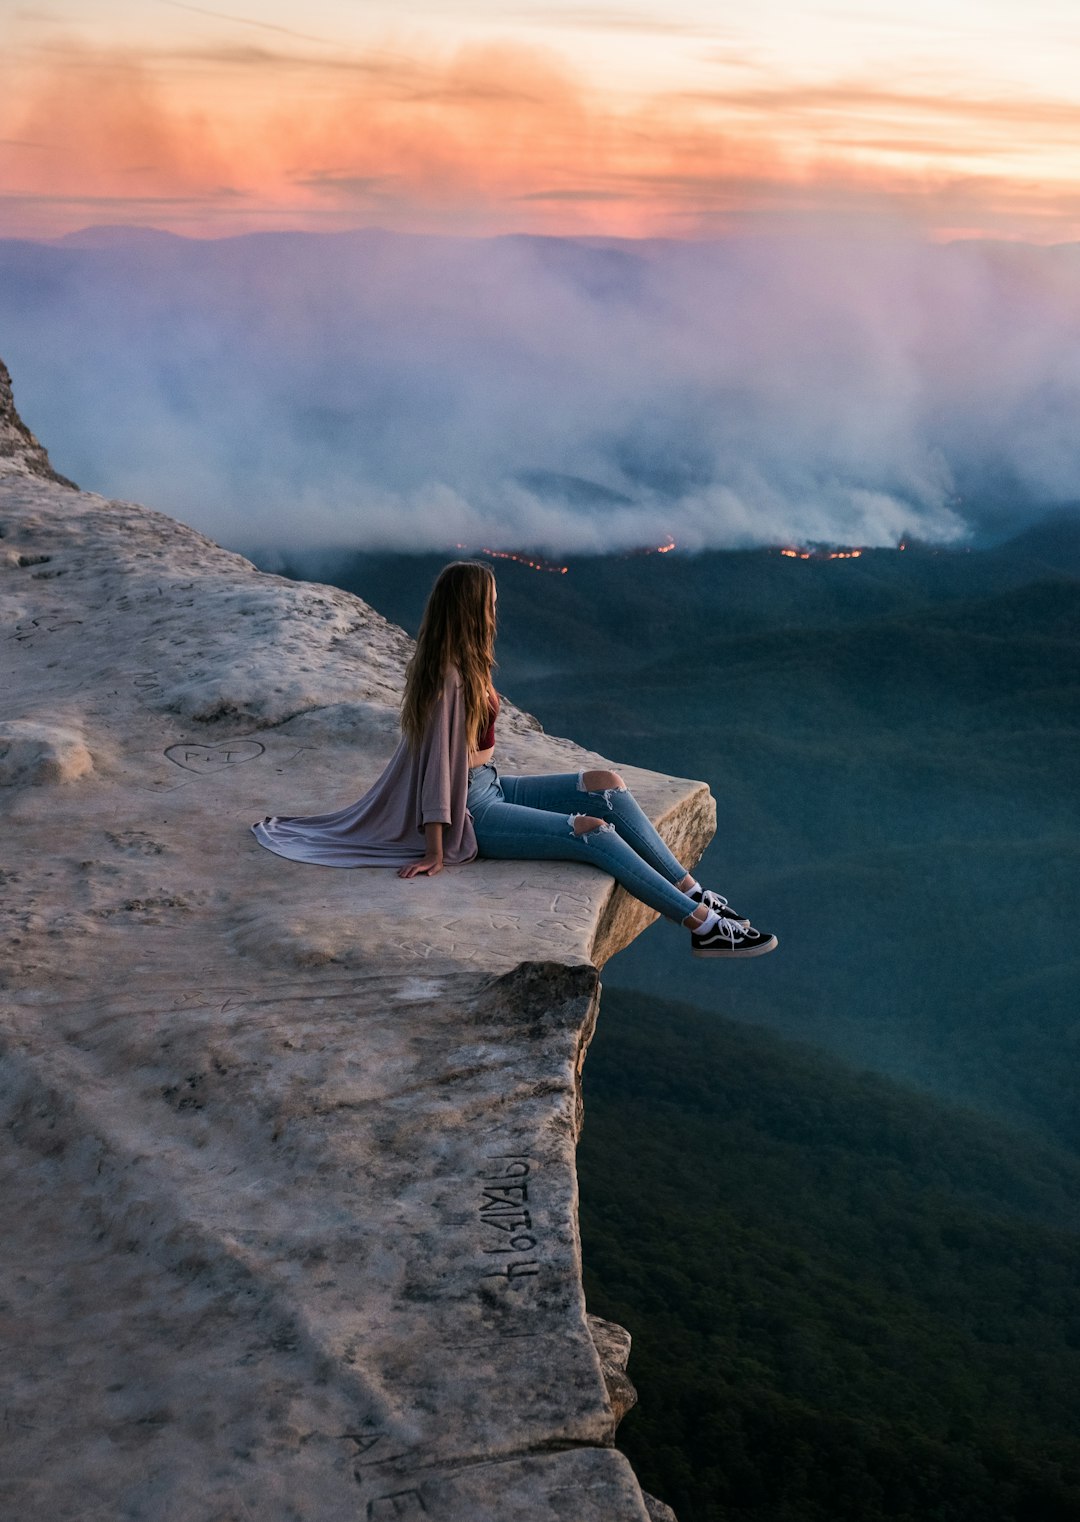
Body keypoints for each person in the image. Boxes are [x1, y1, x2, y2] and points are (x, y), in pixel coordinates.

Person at [253, 560, 777, 958]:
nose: (496, 610)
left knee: (605, 783)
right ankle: (701, 926)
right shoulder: (451, 680)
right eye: (492, 602)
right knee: (592, 830)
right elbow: (439, 772)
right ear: (473, 610)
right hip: (471, 809)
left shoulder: (462, 664)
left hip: (490, 784)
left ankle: (694, 890)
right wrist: (437, 848)